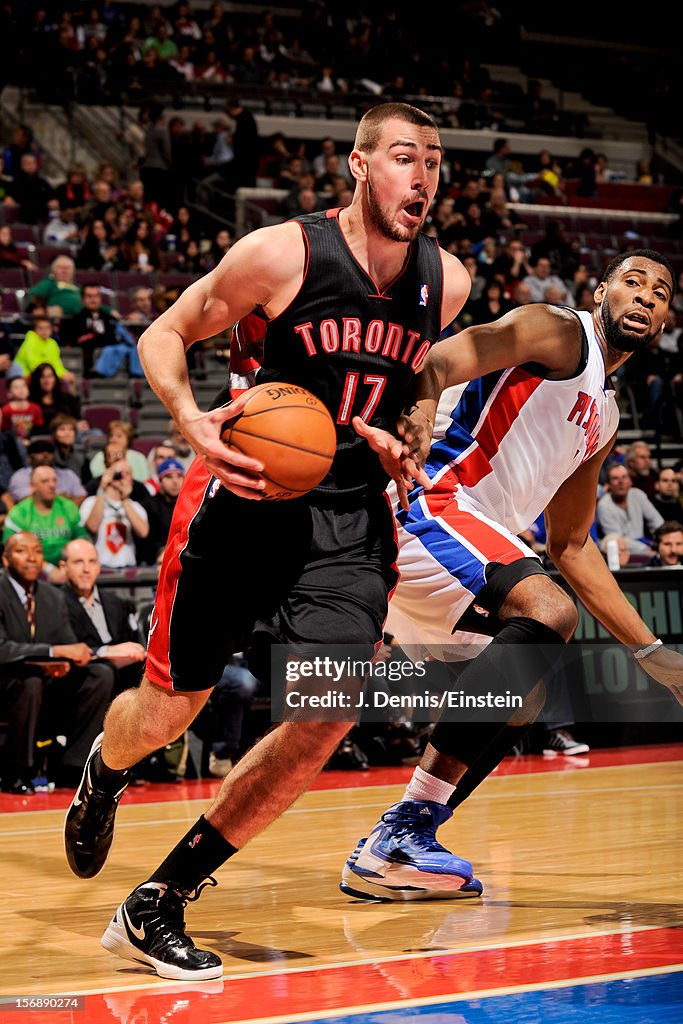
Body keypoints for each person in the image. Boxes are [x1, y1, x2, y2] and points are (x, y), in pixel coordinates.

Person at [63, 102, 472, 980]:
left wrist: (412, 419)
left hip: (350, 518)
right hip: (245, 493)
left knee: (327, 711)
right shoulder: (281, 253)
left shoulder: (449, 280)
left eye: (435, 162)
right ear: (359, 166)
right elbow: (166, 331)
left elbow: (419, 371)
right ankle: (106, 765)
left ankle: (159, 900)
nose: (424, 177)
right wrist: (188, 421)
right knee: (170, 711)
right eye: (405, 157)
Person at [337, 249, 683, 902]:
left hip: (471, 545)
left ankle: (392, 850)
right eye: (631, 282)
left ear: (664, 319)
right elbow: (443, 356)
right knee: (547, 613)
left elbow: (574, 546)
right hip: (431, 499)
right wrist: (419, 404)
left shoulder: (602, 419)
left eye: (659, 292)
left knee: (517, 701)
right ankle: (402, 832)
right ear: (601, 290)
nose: (643, 296)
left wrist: (651, 652)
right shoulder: (557, 330)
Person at [0, 532, 114, 792]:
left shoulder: (52, 596)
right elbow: (2, 648)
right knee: (29, 682)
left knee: (100, 675)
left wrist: (65, 660)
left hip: (46, 683)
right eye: (21, 551)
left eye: (38, 551)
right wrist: (51, 652)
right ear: (5, 560)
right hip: (8, 682)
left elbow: (69, 646)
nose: (31, 557)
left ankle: (73, 765)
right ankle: (17, 772)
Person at [60, 539, 146, 694]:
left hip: (123, 670)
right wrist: (107, 652)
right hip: (85, 671)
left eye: (92, 562)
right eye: (79, 562)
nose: (86, 569)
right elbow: (66, 648)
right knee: (104, 672)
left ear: (99, 567)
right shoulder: (56, 603)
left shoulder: (116, 602)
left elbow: (129, 640)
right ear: (63, 567)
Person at [3, 465, 88, 579]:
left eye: (54, 480)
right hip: (32, 571)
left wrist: (72, 565)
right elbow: (11, 552)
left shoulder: (68, 506)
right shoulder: (19, 513)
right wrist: (48, 568)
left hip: (68, 568)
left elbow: (83, 539)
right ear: (32, 486)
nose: (52, 485)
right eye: (45, 481)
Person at [79, 459, 150, 570]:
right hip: (100, 567)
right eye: (118, 473)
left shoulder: (135, 506)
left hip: (128, 568)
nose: (122, 477)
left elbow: (143, 532)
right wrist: (102, 488)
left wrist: (125, 498)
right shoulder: (91, 502)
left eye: (127, 473)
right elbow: (92, 527)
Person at [597, 463, 663, 560]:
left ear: (630, 481)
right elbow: (617, 539)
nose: (621, 482)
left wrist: (664, 541)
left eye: (624, 477)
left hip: (645, 547)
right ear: (608, 485)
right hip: (620, 552)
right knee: (613, 540)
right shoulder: (604, 504)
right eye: (615, 478)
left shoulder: (638, 494)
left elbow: (658, 523)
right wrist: (644, 548)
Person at [8, 438, 85, 506]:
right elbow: (25, 500)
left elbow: (81, 497)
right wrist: (63, 497)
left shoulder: (67, 474)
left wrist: (64, 509)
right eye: (39, 451)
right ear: (29, 458)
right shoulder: (20, 476)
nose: (45, 454)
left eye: (49, 451)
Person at [0, 376, 44, 441]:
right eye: (16, 387)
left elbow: (38, 429)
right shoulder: (5, 410)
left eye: (24, 386)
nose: (21, 389)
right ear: (9, 393)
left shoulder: (35, 408)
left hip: (31, 441)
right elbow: (4, 431)